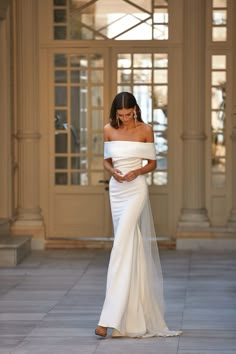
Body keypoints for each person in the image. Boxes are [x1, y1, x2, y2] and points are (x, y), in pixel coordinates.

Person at [95, 92, 182, 338]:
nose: (124, 119)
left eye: (128, 114)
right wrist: (113, 172)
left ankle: (106, 320)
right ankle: (128, 317)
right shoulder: (108, 129)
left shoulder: (146, 129)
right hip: (117, 190)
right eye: (120, 115)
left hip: (135, 189)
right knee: (128, 248)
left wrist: (136, 172)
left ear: (135, 109)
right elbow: (107, 160)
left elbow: (152, 163)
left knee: (120, 247)